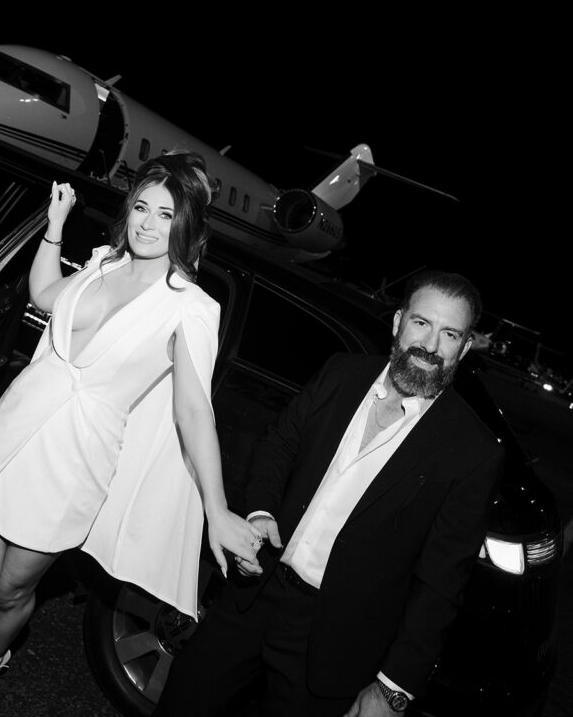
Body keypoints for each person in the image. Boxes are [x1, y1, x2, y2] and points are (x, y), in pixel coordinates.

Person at [0, 150, 261, 717]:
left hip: (75, 461)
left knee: (11, 592)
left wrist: (217, 507)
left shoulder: (191, 309)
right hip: (11, 432)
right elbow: (46, 299)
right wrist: (54, 230)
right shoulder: (102, 262)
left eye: (166, 214)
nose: (148, 224)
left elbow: (194, 411)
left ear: (189, 225)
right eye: (141, 208)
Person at [155, 269, 505, 717]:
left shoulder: (471, 450)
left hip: (335, 641)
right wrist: (261, 512)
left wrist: (393, 688)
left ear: (466, 345)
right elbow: (279, 444)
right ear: (398, 322)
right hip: (256, 593)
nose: (431, 346)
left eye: (449, 333)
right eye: (421, 323)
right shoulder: (342, 374)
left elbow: (441, 585)